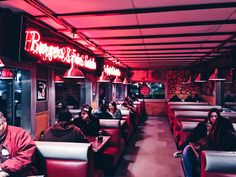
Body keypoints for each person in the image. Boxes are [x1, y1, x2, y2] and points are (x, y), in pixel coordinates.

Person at [0, 112, 36, 177]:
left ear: (4, 121)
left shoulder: (20, 134)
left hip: (21, 174)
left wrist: (2, 168)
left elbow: (24, 159)